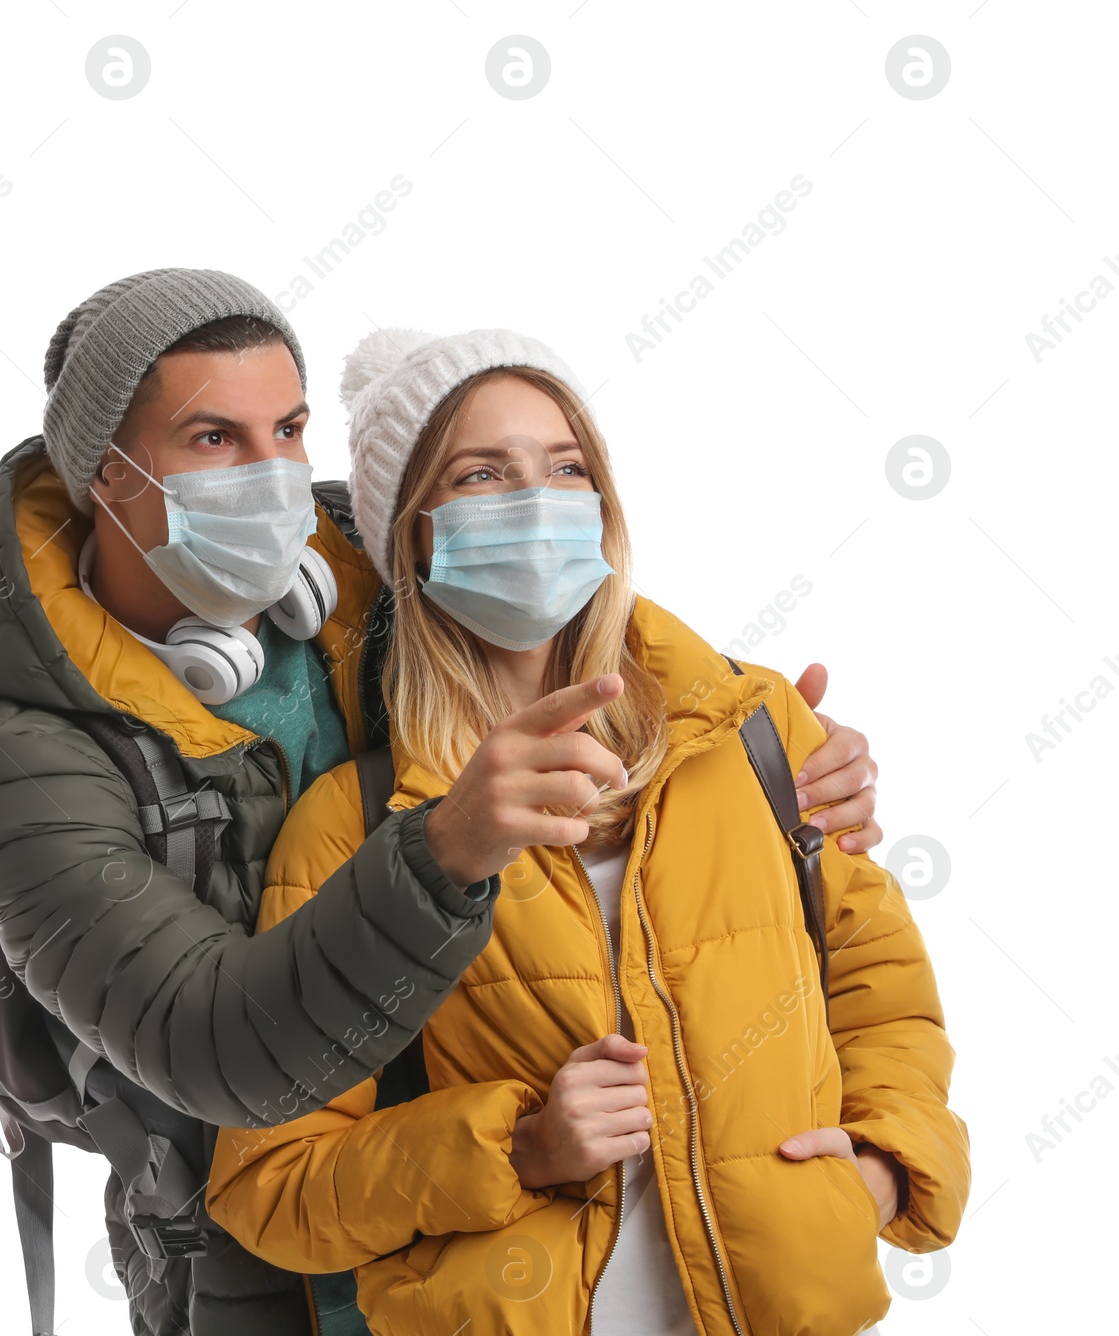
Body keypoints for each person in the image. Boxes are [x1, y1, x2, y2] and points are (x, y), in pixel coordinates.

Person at [0, 272, 886, 1335]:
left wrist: (749, 731)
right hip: (258, 1272)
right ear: (105, 472)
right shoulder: (18, 762)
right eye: (212, 438)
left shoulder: (354, 571)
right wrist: (441, 856)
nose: (273, 475)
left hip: (531, 1256)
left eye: (289, 428)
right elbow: (217, 1047)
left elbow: (554, 603)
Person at [205, 327, 969, 1335]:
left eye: (567, 467)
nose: (537, 500)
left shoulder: (755, 738)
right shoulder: (355, 828)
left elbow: (884, 1005)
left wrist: (880, 1169)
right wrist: (516, 1147)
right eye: (482, 473)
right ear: (417, 534)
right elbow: (270, 1186)